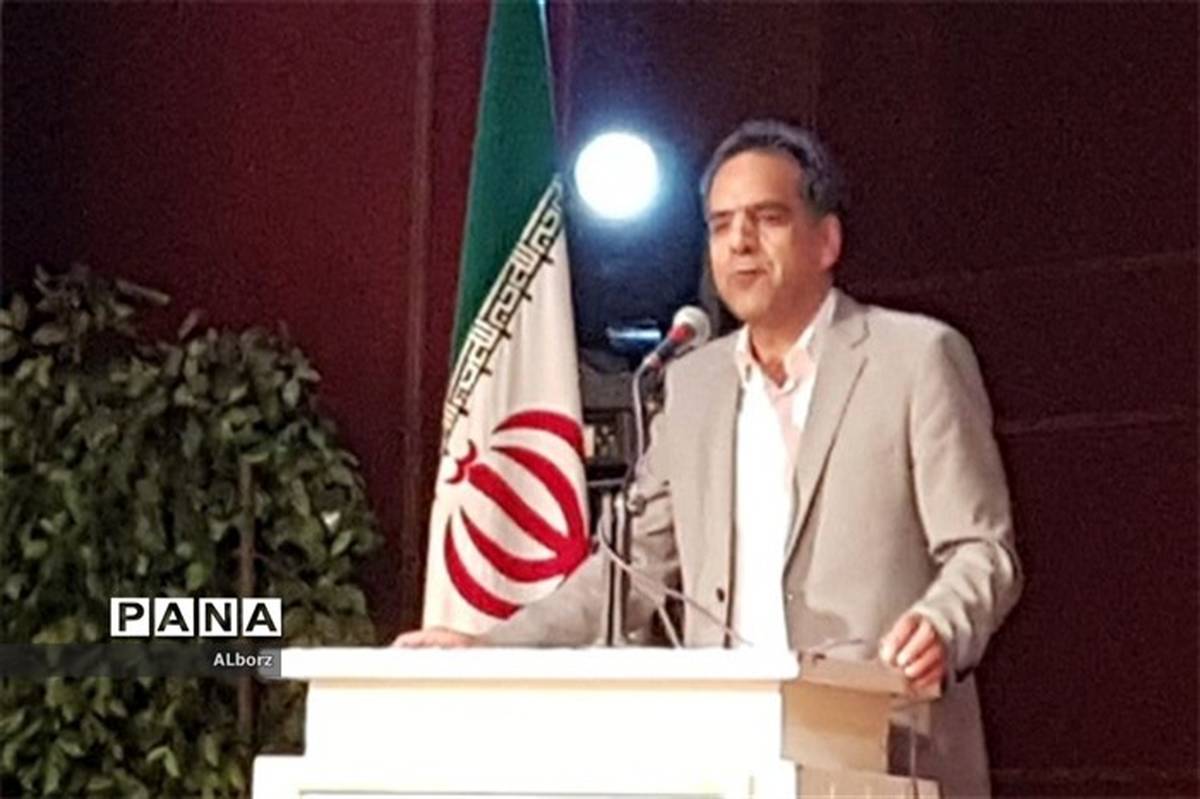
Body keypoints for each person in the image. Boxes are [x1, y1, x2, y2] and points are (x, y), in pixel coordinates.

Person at [396, 119, 1023, 797]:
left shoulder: (915, 359)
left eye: (767, 218)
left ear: (827, 240)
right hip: (729, 762)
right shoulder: (691, 388)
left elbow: (983, 551)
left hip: (885, 750)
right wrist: (492, 647)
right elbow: (627, 572)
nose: (740, 242)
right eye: (722, 225)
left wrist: (940, 624)